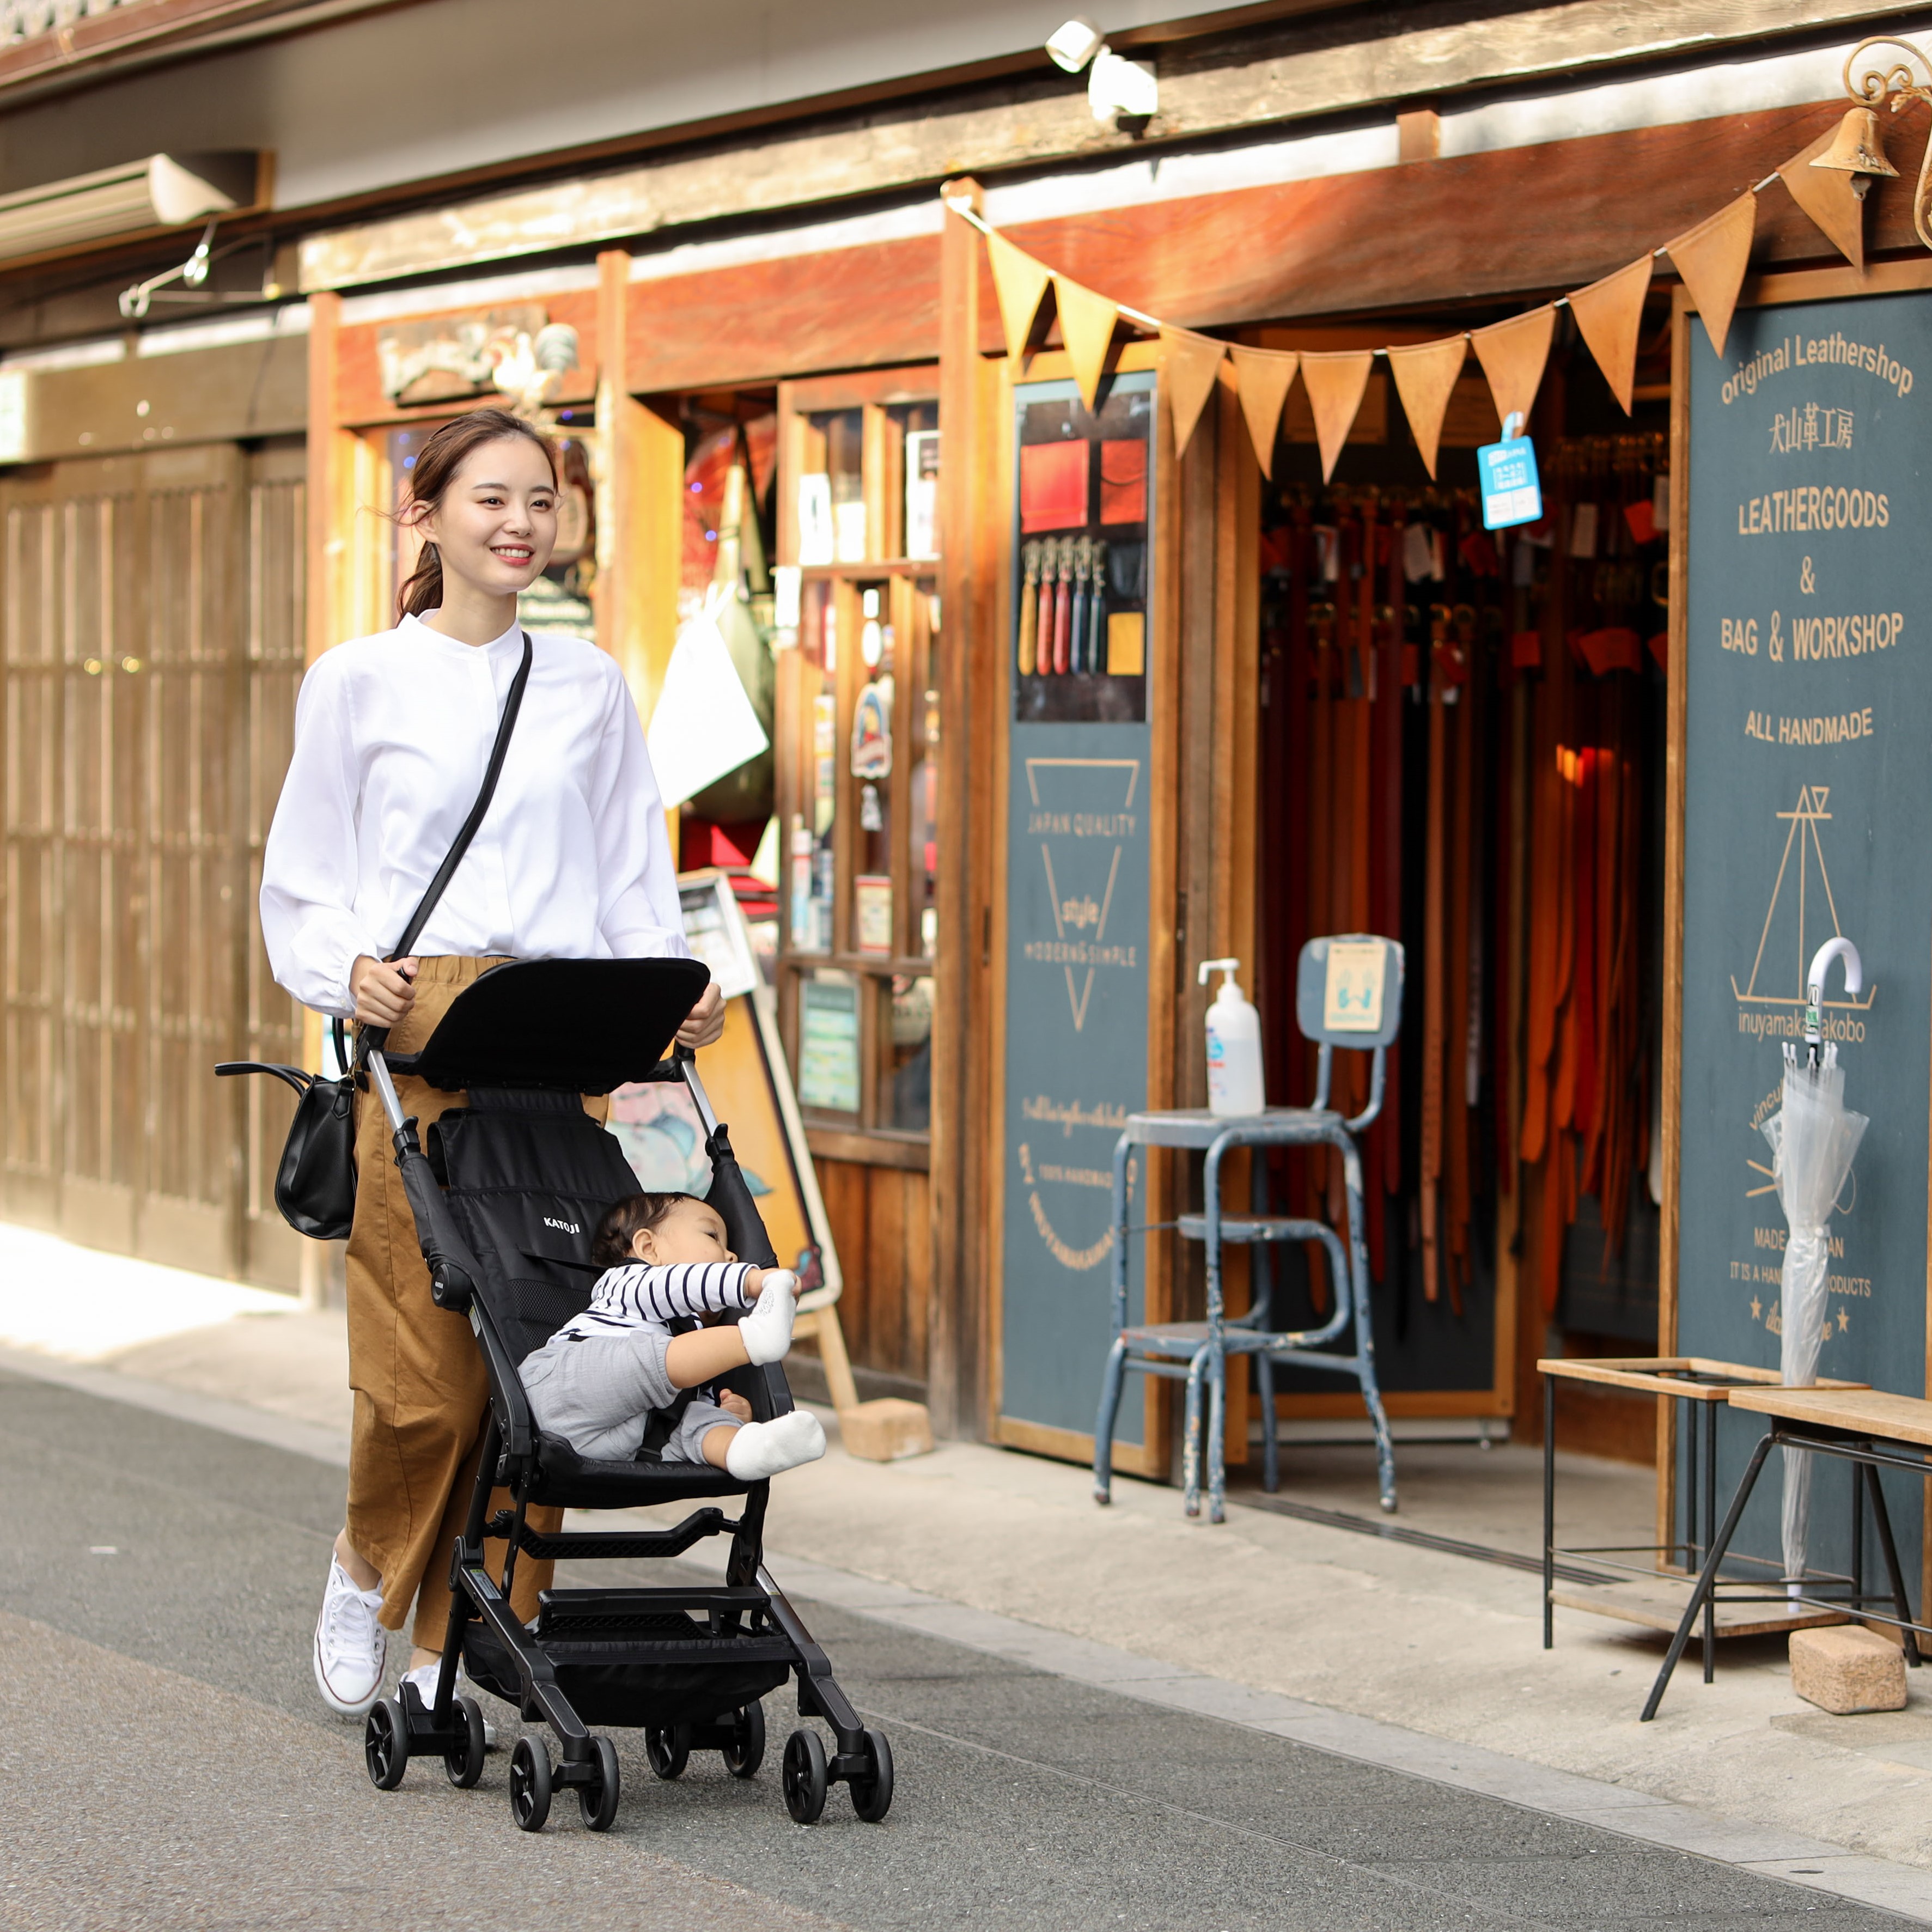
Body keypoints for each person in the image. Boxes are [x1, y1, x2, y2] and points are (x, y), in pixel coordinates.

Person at [259, 407, 724, 1722]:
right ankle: (367, 1558)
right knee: (429, 1375)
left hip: (562, 1032)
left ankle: (459, 1640)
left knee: (547, 1355)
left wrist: (668, 991)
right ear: (430, 515)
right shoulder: (357, 679)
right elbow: (303, 874)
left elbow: (633, 865)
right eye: (491, 499)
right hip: (421, 1036)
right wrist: (342, 966)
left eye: (541, 500)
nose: (520, 523)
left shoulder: (586, 684)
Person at [520, 1190, 828, 1478]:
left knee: (693, 1419)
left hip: (618, 1445)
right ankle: (755, 1337)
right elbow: (686, 1284)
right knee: (650, 1360)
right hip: (561, 1392)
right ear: (649, 1248)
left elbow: (690, 1390)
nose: (733, 1256)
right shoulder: (626, 1283)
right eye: (712, 1236)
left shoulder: (690, 1333)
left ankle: (746, 1448)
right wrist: (750, 1281)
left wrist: (728, 1416)